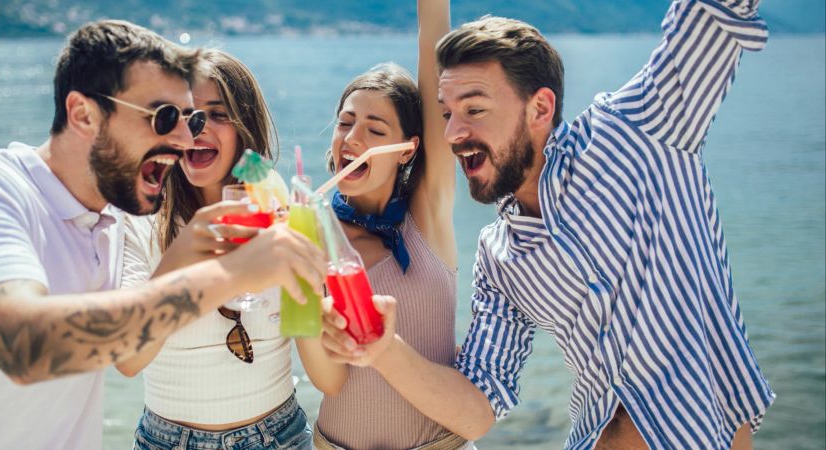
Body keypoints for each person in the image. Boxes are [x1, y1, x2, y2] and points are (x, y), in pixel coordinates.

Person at [321, 0, 775, 449]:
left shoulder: (637, 130)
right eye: (446, 113)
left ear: (540, 109)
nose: (452, 134)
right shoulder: (500, 257)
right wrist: (382, 349)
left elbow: (707, 16)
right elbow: (479, 404)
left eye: (474, 110)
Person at [0, 20, 325, 450]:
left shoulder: (110, 224)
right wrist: (228, 273)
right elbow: (22, 348)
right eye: (165, 117)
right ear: (83, 114)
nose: (183, 139)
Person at [116, 48, 313, 450]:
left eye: (218, 114)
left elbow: (327, 374)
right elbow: (128, 360)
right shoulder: (138, 222)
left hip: (278, 437)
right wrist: (185, 250)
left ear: (245, 126)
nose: (197, 128)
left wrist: (315, 294)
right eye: (184, 114)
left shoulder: (285, 218)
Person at [298, 0, 466, 449]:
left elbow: (435, 50)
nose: (352, 139)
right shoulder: (312, 234)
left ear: (408, 149)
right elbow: (329, 381)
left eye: (375, 129)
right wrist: (296, 284)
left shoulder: (426, 214)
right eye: (345, 123)